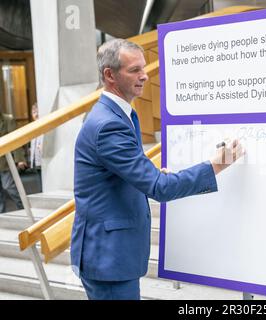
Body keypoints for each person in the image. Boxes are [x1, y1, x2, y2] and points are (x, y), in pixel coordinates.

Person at [71, 39, 244, 300]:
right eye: (134, 70)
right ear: (110, 75)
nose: (144, 76)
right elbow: (160, 189)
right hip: (108, 258)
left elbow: (120, 173)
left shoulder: (118, 115)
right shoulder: (109, 125)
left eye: (144, 68)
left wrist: (146, 176)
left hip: (109, 254)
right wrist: (217, 164)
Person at [0, 113, 27, 213]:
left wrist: (19, 159)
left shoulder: (8, 119)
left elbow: (15, 140)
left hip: (5, 162)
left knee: (9, 187)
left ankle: (24, 208)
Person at [29, 103, 43, 190]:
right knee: (40, 185)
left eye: (38, 112)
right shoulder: (33, 127)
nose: (36, 114)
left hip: (43, 160)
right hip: (36, 161)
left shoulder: (44, 124)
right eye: (34, 112)